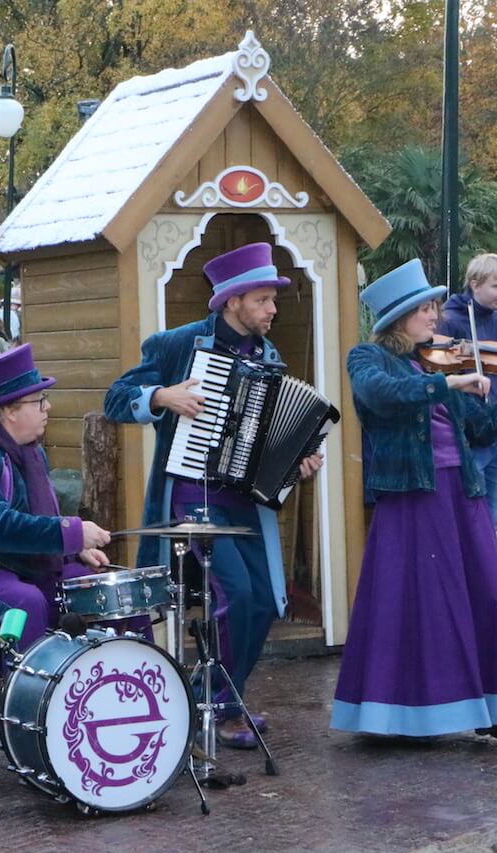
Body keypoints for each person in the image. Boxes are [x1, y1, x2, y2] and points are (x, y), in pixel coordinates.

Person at [104, 242, 321, 748]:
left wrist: (299, 461)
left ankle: (222, 697)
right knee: (237, 596)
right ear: (233, 301)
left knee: (266, 601)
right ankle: (221, 708)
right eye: (264, 300)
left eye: (273, 300)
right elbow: (116, 397)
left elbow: (270, 432)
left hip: (244, 500)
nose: (272, 310)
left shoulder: (270, 355)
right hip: (193, 492)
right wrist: (162, 396)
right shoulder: (177, 345)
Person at [331, 258, 497, 747]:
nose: (435, 317)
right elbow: (383, 395)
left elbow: (482, 428)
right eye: (424, 309)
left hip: (462, 493)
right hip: (412, 497)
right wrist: (448, 382)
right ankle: (395, 716)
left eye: (434, 307)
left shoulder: (442, 357)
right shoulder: (368, 359)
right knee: (414, 604)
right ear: (398, 318)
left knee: (486, 598)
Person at [0, 344, 112, 651]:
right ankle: (30, 697)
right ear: (8, 411)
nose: (47, 408)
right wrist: (71, 532)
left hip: (33, 566)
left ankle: (119, 689)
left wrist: (72, 550)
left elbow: (41, 518)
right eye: (39, 401)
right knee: (25, 605)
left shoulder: (33, 451)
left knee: (103, 590)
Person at [437, 254, 497, 529]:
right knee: (468, 516)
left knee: (491, 518)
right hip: (467, 433)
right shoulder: (448, 320)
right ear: (474, 284)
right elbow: (444, 376)